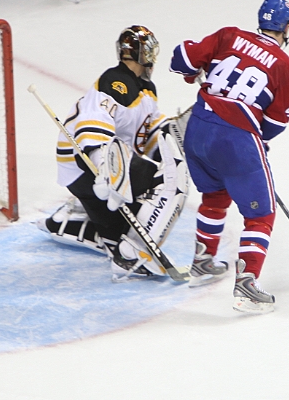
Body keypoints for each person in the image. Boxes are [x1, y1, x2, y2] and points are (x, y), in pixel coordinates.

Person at [168, 0, 289, 313]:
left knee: (215, 195)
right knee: (261, 215)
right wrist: (249, 145)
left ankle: (203, 261)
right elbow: (271, 127)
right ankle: (247, 286)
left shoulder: (228, 36)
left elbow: (181, 59)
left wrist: (194, 70)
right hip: (236, 138)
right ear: (286, 28)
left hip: (197, 128)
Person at [37, 25, 188, 280]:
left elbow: (147, 133)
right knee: (172, 176)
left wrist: (178, 132)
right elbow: (93, 124)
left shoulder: (145, 89)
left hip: (98, 170)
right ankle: (132, 256)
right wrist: (105, 168)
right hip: (87, 165)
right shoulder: (115, 83)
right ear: (144, 54)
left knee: (118, 236)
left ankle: (70, 217)